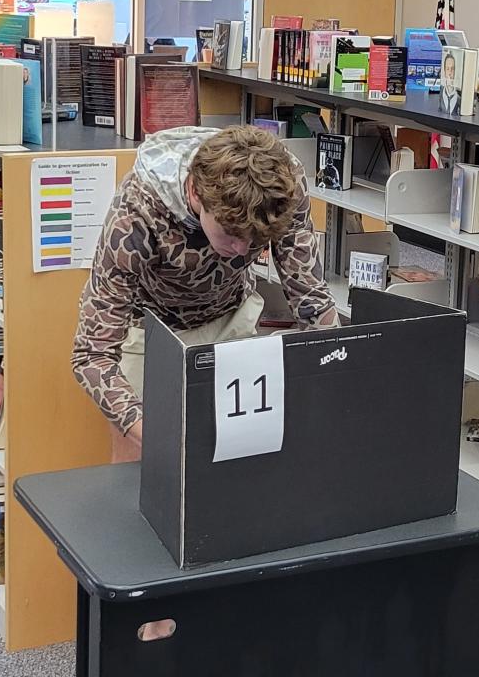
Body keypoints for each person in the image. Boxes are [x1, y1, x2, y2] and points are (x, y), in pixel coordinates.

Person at [73, 125, 336, 461]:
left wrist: (337, 376)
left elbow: (310, 297)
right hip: (147, 329)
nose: (243, 250)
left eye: (256, 238)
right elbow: (92, 354)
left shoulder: (283, 185)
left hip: (228, 313)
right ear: (196, 193)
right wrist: (153, 436)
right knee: (141, 472)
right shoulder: (135, 215)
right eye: (231, 233)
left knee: (238, 460)